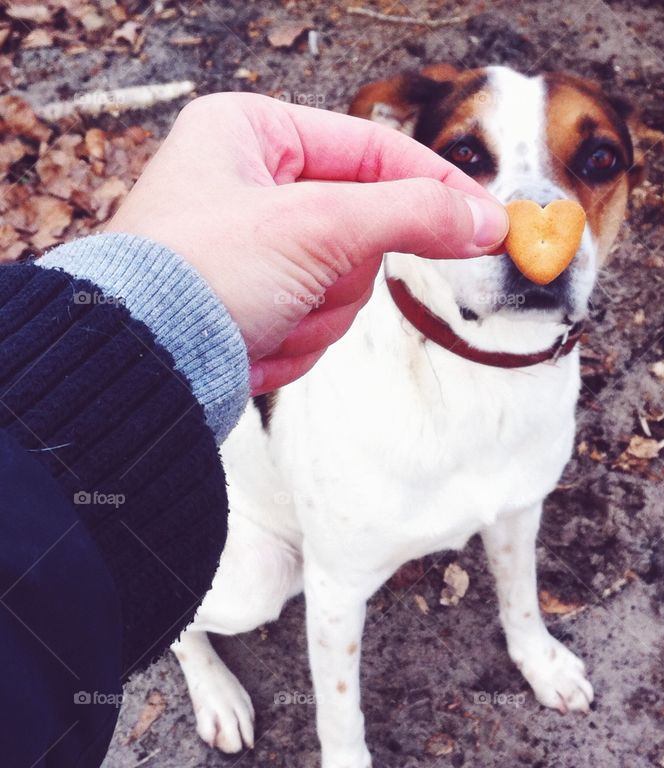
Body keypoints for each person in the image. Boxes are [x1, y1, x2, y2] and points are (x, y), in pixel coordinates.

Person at [0, 92, 508, 767]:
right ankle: (194, 649)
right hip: (260, 525)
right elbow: (334, 584)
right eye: (471, 158)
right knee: (258, 596)